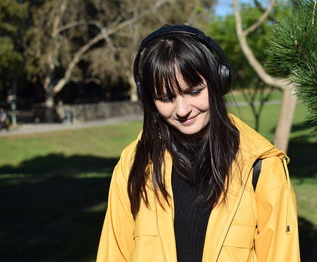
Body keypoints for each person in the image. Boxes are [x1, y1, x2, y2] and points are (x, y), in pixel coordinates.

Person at [97, 24, 300, 262]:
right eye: (166, 98)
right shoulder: (133, 164)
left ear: (218, 81)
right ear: (149, 99)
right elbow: (114, 253)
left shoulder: (262, 165)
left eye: (193, 92)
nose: (182, 110)